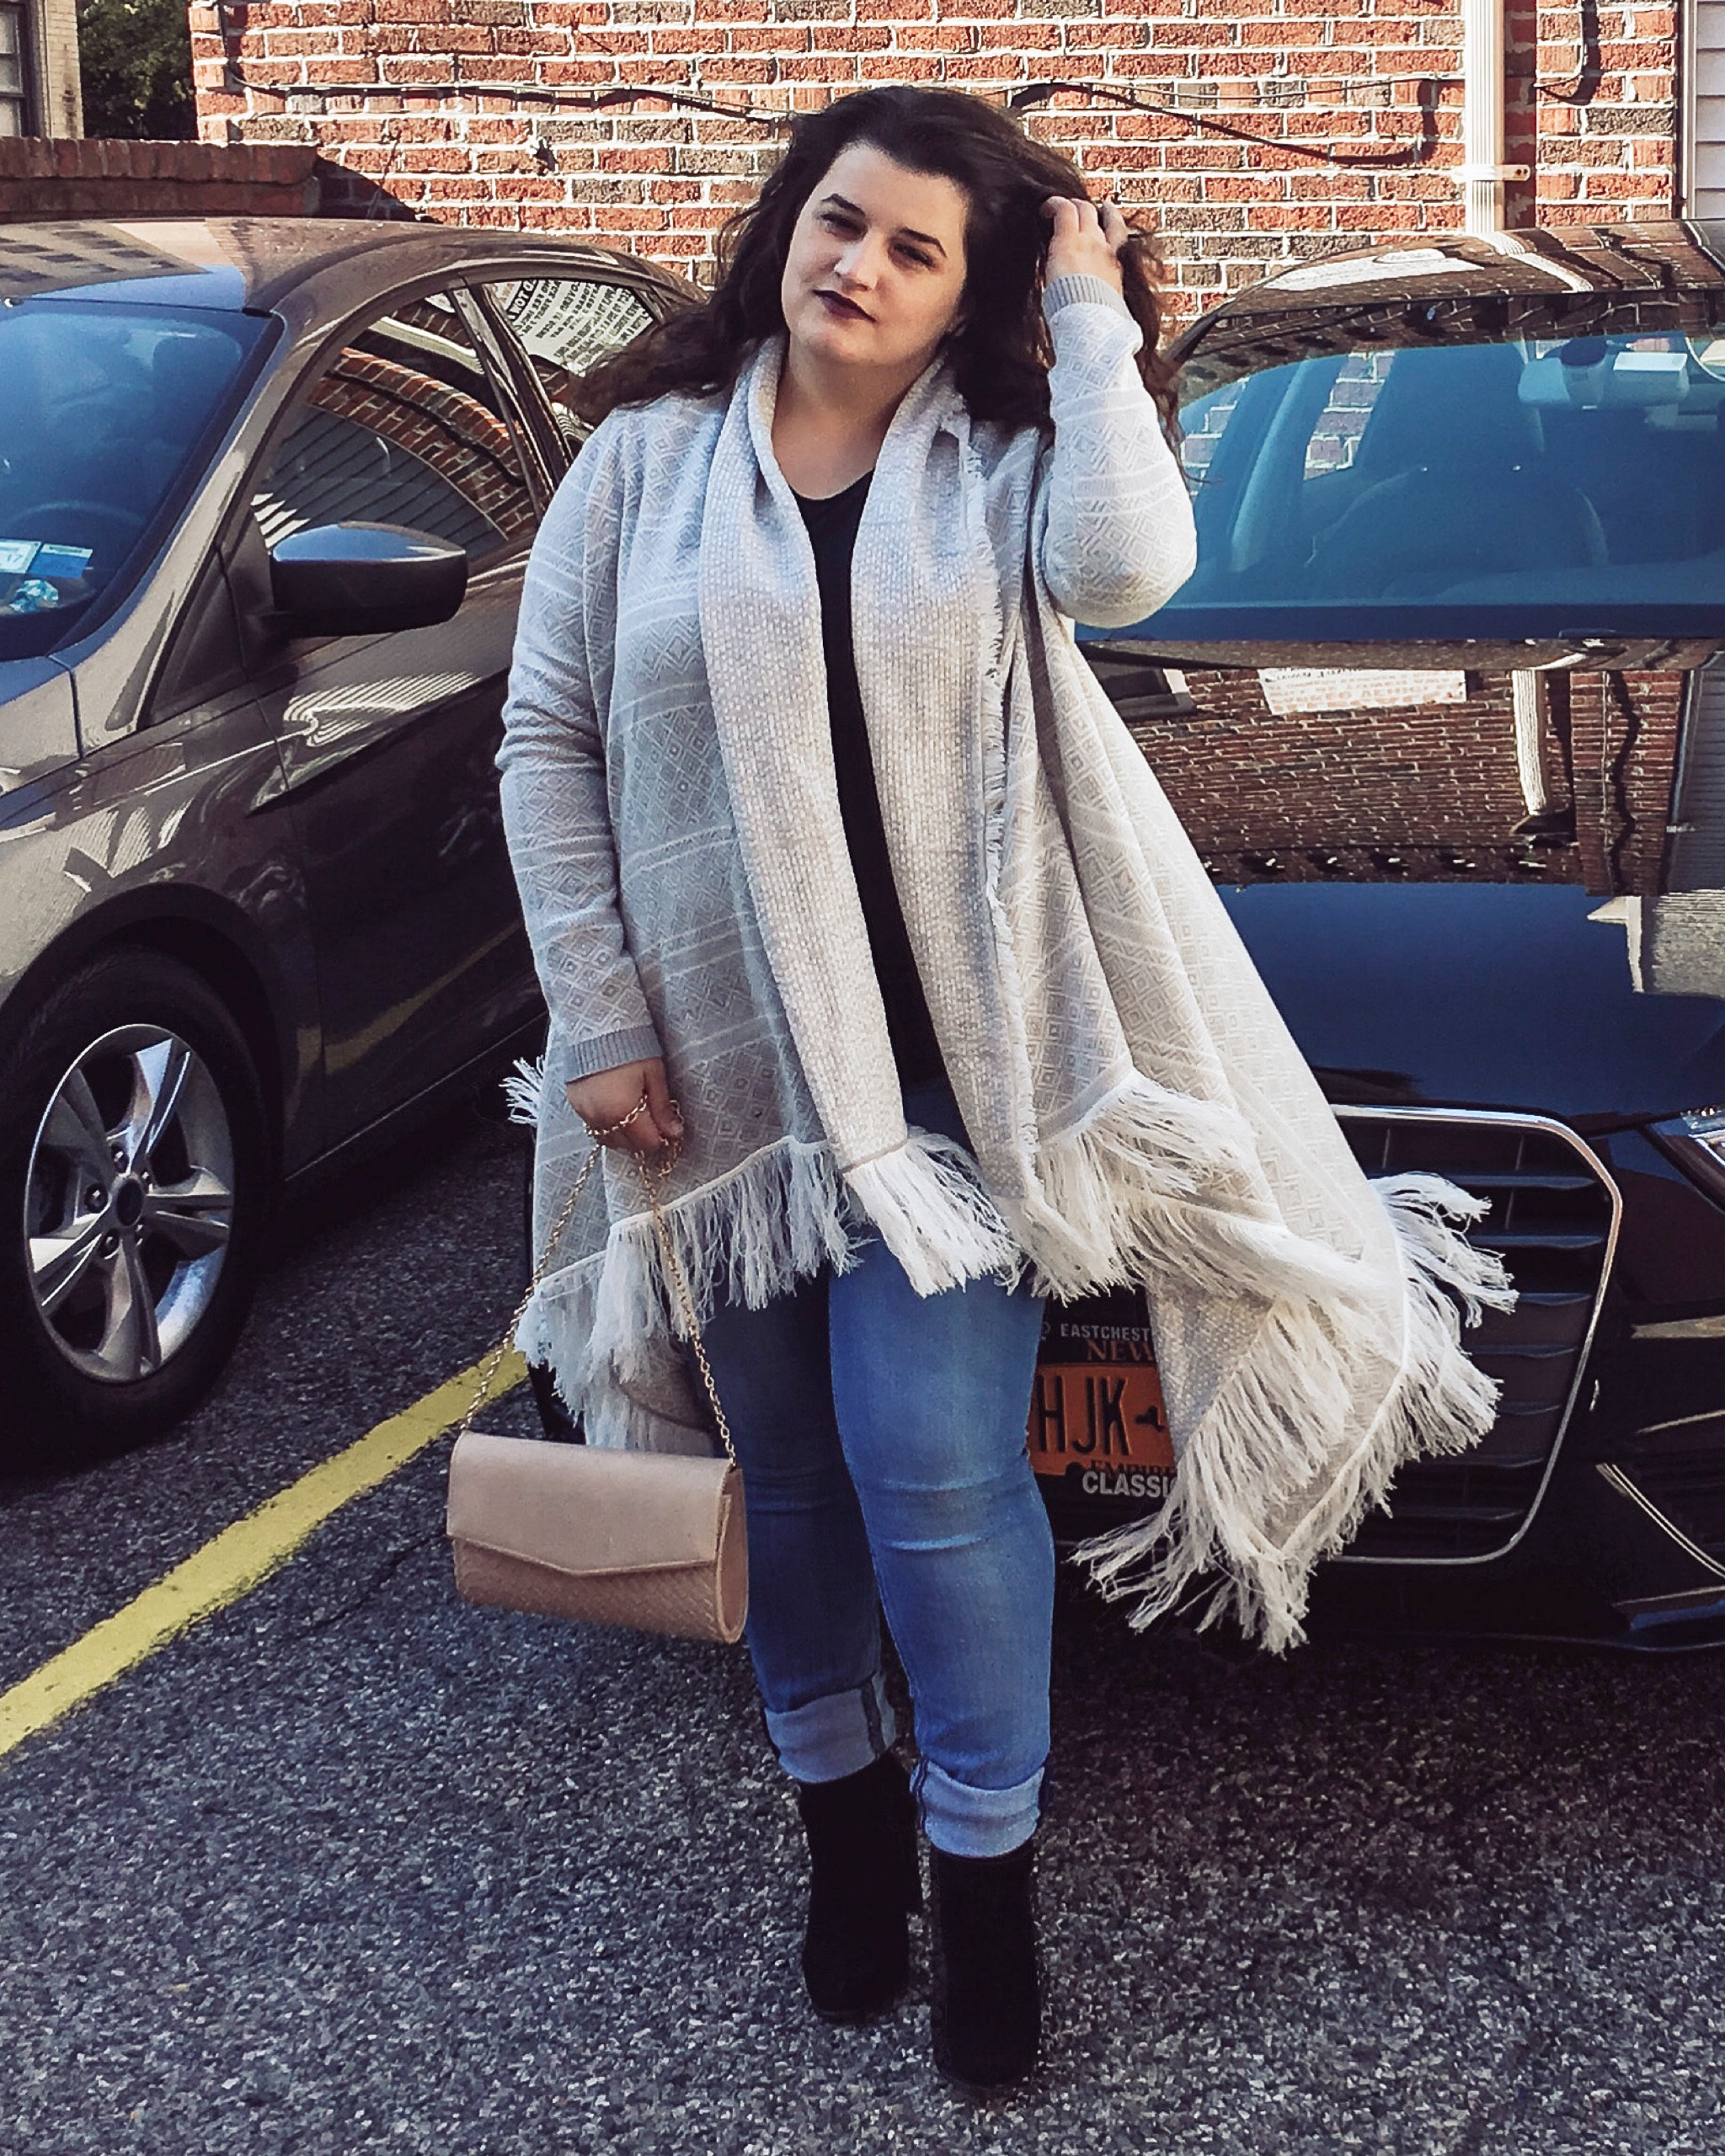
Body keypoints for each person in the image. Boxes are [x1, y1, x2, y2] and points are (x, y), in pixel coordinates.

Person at [499, 85, 1507, 2096]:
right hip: (721, 1089)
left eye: (913, 246)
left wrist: (1094, 306)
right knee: (778, 1478)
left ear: (967, 291)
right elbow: (548, 735)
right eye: (838, 220)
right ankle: (843, 1835)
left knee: (938, 1476)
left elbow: (1131, 567)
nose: (856, 264)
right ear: (785, 222)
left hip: (957, 1088)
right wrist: (598, 1010)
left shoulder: (1005, 457)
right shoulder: (638, 465)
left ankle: (984, 1878)